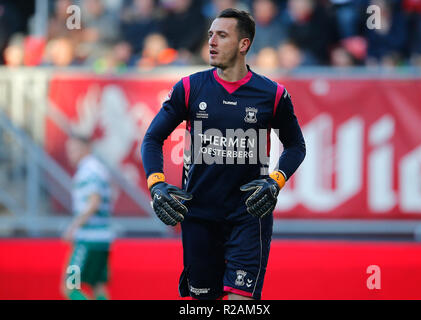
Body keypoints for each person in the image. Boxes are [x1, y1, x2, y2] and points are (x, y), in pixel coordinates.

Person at [141, 8, 306, 300]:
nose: (212, 42)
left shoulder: (273, 94)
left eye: (222, 35)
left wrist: (276, 180)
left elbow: (296, 146)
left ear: (244, 44)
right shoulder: (190, 88)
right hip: (199, 215)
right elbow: (152, 138)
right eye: (210, 35)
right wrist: (155, 183)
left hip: (249, 215)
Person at [62, 134, 114, 300]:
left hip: (88, 240)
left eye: (74, 149)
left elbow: (94, 202)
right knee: (98, 286)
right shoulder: (98, 169)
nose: (70, 154)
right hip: (102, 239)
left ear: (86, 148)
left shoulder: (88, 171)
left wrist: (74, 226)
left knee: (69, 287)